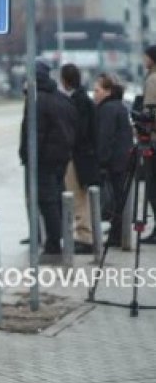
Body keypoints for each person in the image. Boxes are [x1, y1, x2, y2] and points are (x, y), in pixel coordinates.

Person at [18, 60, 77, 256]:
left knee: (47, 201)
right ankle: (59, 236)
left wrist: (28, 156)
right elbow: (71, 126)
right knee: (58, 198)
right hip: (61, 158)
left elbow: (35, 133)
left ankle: (53, 242)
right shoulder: (60, 97)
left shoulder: (38, 100)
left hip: (42, 160)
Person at [59, 63, 99, 254]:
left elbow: (79, 131)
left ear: (65, 81)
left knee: (78, 196)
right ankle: (85, 235)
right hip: (85, 155)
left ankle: (84, 237)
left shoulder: (78, 101)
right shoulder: (84, 98)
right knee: (80, 196)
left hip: (78, 156)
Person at [94, 73, 134, 247]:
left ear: (108, 91)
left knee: (115, 199)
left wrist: (101, 161)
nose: (95, 94)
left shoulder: (107, 109)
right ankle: (118, 232)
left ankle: (117, 235)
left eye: (97, 90)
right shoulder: (119, 106)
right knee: (119, 198)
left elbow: (105, 137)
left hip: (114, 162)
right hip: (123, 160)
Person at [141, 45, 156, 243]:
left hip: (153, 140)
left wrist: (143, 121)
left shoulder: (153, 80)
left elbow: (151, 113)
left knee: (152, 187)